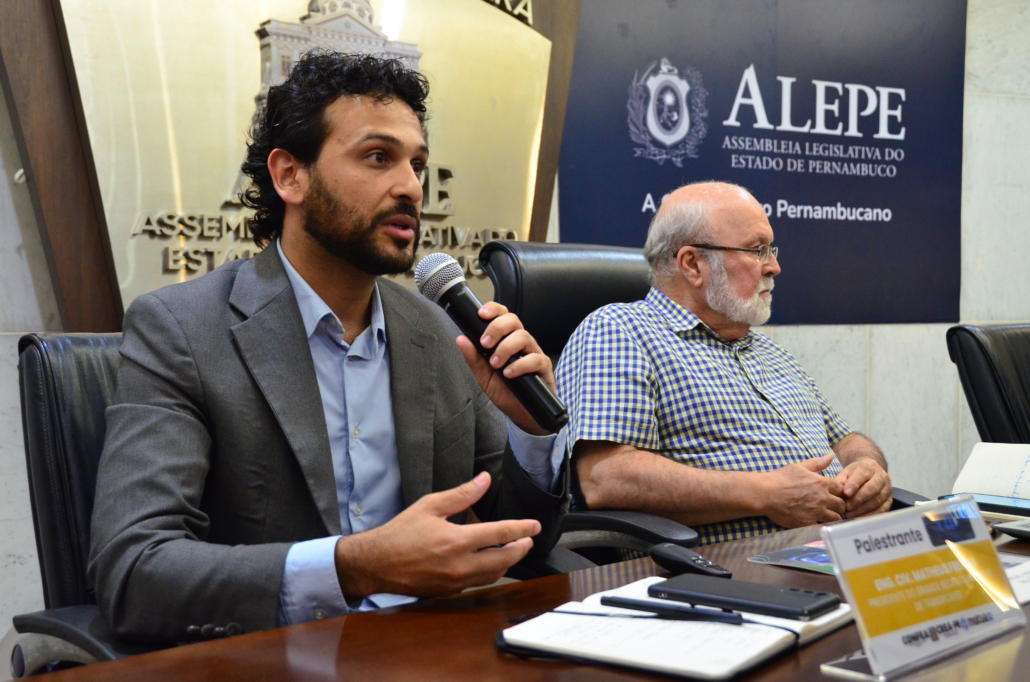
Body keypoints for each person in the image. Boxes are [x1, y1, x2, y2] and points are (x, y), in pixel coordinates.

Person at [88, 51, 569, 643]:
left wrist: (533, 433)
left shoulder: (442, 333)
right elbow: (132, 571)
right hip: (268, 656)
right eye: (377, 158)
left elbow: (520, 540)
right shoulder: (181, 330)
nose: (411, 188)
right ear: (291, 175)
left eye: (418, 165)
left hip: (429, 649)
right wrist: (355, 565)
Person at [555, 181, 891, 546]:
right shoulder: (621, 331)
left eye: (771, 250)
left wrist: (866, 467)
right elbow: (606, 478)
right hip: (729, 574)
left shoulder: (769, 351)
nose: (774, 266)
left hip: (844, 552)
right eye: (757, 250)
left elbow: (844, 438)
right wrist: (764, 494)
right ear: (693, 264)